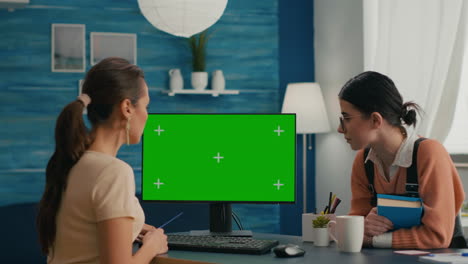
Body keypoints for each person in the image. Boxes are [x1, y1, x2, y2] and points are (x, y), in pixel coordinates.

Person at [36, 57, 168, 264]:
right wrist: (153, 245)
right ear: (127, 108)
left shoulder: (73, 162)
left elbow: (82, 228)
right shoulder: (113, 172)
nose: (147, 116)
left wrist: (129, 226)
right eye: (146, 106)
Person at [337, 71, 465, 249]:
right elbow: (358, 225)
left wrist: (372, 239)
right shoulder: (363, 161)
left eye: (346, 119)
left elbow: (437, 235)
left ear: (375, 120)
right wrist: (364, 225)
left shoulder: (429, 153)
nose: (340, 129)